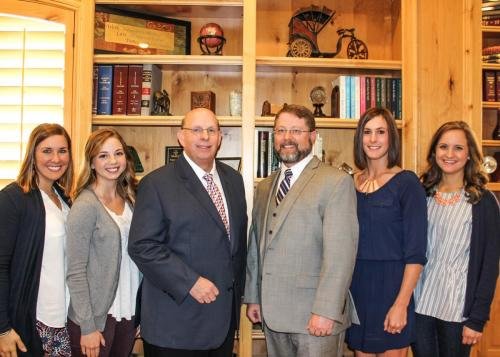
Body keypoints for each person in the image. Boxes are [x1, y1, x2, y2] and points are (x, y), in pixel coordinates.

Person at [128, 108, 247, 357]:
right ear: (181, 137)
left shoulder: (234, 181)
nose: (205, 136)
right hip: (175, 326)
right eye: (196, 130)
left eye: (211, 130)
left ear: (220, 137)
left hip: (223, 323)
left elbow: (236, 248)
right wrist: (190, 281)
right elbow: (143, 246)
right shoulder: (156, 184)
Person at [245, 104, 359, 357]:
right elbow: (256, 244)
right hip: (272, 314)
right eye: (281, 130)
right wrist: (254, 296)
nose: (287, 138)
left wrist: (326, 311)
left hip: (315, 317)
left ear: (312, 136)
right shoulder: (265, 187)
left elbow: (341, 255)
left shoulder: (336, 182)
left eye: (296, 130)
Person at [412, 121, 500, 357]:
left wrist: (477, 319)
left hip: (458, 308)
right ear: (434, 152)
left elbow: (490, 266)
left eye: (458, 148)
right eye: (443, 147)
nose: (449, 154)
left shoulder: (484, 202)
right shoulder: (420, 195)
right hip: (420, 302)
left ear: (470, 154)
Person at [346, 107, 427, 357]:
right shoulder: (350, 183)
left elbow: (416, 253)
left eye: (380, 132)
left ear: (391, 137)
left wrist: (401, 304)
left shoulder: (407, 183)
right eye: (367, 132)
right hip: (357, 287)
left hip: (392, 287)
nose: (373, 139)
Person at [0, 123, 74, 356]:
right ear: (32, 154)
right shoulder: (13, 199)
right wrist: (2, 329)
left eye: (62, 151)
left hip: (63, 321)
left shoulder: (64, 199)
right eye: (47, 151)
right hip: (30, 323)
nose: (56, 158)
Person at [66, 128, 139, 357]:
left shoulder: (131, 200)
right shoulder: (85, 206)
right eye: (103, 155)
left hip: (127, 312)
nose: (113, 161)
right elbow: (75, 272)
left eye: (118, 153)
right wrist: (88, 327)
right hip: (96, 318)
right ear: (92, 162)